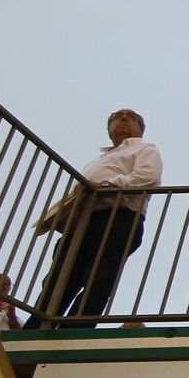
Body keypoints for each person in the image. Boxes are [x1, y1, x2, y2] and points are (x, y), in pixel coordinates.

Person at [24, 109, 162, 329]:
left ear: (141, 129)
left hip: (118, 216)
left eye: (131, 117)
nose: (123, 119)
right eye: (118, 117)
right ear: (109, 129)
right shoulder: (101, 158)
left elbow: (148, 177)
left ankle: (74, 331)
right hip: (84, 219)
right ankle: (36, 327)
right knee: (60, 276)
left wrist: (107, 185)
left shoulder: (145, 148)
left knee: (99, 277)